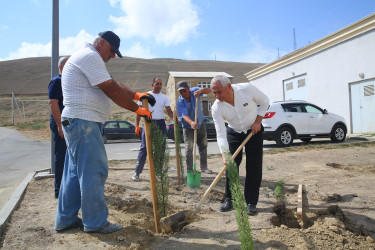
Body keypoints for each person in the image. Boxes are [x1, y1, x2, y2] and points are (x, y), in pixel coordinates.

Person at [55, 31, 155, 234]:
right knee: (94, 172)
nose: (112, 56)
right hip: (84, 123)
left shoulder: (88, 57)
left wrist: (136, 95)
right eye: (111, 51)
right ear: (101, 43)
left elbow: (113, 82)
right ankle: (95, 223)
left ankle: (66, 219)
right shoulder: (90, 56)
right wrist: (137, 109)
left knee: (74, 174)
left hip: (77, 122)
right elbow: (111, 90)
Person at [210, 75, 269, 215]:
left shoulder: (247, 90)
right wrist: (225, 154)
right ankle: (230, 199)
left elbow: (265, 101)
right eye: (214, 92)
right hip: (234, 131)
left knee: (254, 166)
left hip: (254, 130)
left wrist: (258, 121)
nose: (216, 96)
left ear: (229, 87)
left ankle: (251, 202)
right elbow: (220, 134)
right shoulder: (216, 108)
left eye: (219, 91)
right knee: (231, 165)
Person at [132, 77, 173, 180]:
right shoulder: (146, 95)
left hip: (160, 123)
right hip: (148, 122)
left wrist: (175, 118)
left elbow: (169, 111)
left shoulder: (164, 97)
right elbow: (138, 111)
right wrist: (137, 125)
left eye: (160, 84)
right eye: (157, 83)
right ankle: (137, 172)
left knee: (160, 147)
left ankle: (158, 171)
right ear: (152, 84)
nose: (159, 86)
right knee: (144, 148)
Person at [176, 80, 213, 174]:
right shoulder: (180, 102)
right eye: (181, 92)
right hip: (188, 128)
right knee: (189, 149)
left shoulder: (194, 91)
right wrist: (191, 123)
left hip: (200, 123)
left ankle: (203, 168)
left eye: (184, 91)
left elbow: (208, 90)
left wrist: (200, 91)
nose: (183, 94)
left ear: (188, 88)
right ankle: (190, 170)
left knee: (203, 146)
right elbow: (184, 115)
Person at [48, 56, 69, 199]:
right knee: (61, 156)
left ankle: (67, 188)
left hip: (67, 121)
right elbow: (53, 103)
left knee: (69, 156)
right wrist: (60, 125)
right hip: (60, 122)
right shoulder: (57, 81)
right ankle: (59, 191)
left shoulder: (68, 82)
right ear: (61, 67)